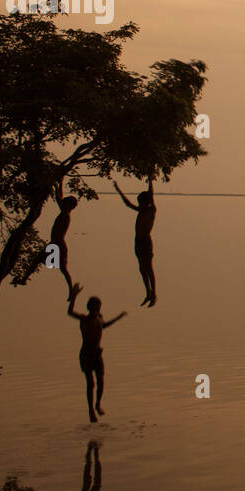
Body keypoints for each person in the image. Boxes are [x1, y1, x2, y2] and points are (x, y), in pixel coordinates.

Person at [67, 284, 126, 423]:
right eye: (94, 307)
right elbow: (70, 312)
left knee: (101, 381)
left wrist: (118, 318)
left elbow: (103, 326)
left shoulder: (100, 317)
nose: (96, 309)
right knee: (90, 383)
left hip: (97, 355)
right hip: (86, 355)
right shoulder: (84, 319)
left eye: (98, 307)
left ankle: (98, 404)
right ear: (89, 308)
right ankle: (90, 410)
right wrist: (74, 296)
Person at [114, 177, 157, 307]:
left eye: (141, 202)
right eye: (139, 203)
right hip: (138, 241)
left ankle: (154, 294)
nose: (139, 205)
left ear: (146, 202)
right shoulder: (141, 210)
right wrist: (118, 190)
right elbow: (128, 204)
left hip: (145, 241)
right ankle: (148, 292)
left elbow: (151, 194)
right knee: (141, 268)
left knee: (148, 268)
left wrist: (150, 180)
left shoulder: (151, 210)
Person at [49, 180, 78, 300]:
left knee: (63, 269)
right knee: (60, 268)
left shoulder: (65, 214)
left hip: (58, 244)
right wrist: (59, 183)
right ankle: (24, 278)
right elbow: (60, 198)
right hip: (55, 243)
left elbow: (58, 198)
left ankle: (71, 290)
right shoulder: (64, 212)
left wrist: (57, 184)